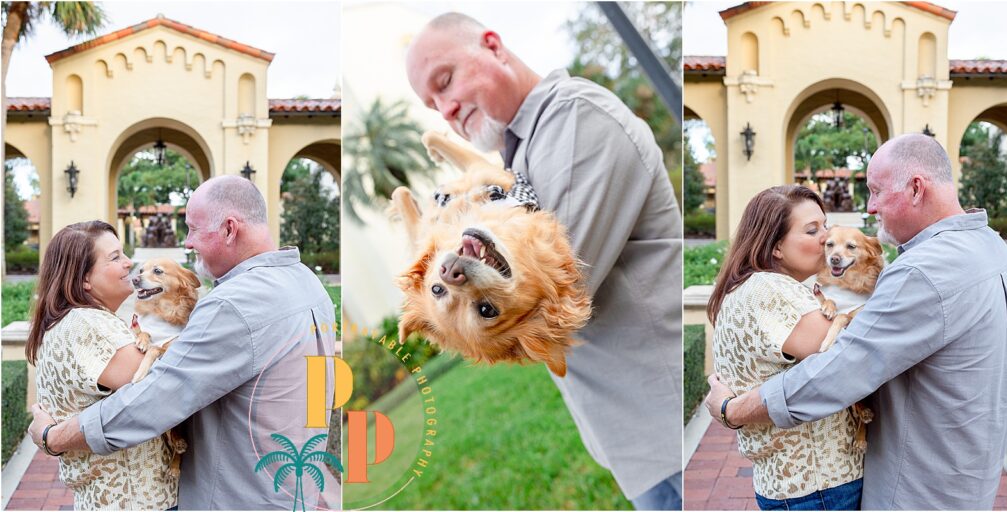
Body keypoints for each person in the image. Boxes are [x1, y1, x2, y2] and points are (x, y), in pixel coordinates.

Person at [406, 13, 683, 509]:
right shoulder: (523, 151)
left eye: (444, 81)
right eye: (433, 106)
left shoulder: (575, 116)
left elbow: (547, 283)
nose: (445, 109)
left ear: (494, 46)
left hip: (666, 427)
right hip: (634, 435)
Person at [704, 134, 1007, 510]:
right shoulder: (993, 248)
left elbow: (838, 370)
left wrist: (733, 410)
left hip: (916, 491)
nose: (869, 207)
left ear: (916, 188)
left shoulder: (922, 271)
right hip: (969, 481)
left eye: (875, 191)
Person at [29, 176, 338, 510]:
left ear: (229, 229)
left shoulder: (234, 303)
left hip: (239, 497)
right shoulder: (309, 284)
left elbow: (156, 397)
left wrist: (53, 438)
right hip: (295, 490)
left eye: (193, 228)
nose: (187, 243)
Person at [706, 185, 863, 510]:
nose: (826, 236)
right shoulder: (769, 289)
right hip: (820, 487)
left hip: (789, 483)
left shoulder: (746, 289)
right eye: (812, 230)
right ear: (776, 247)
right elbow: (855, 355)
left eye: (825, 224)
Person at [27, 220, 176, 510]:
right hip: (138, 502)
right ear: (84, 279)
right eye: (115, 257)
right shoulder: (87, 324)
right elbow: (167, 386)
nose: (128, 263)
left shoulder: (66, 323)